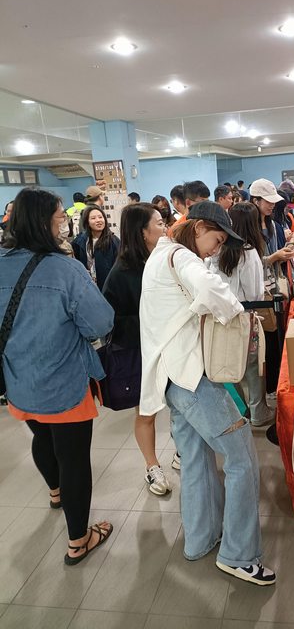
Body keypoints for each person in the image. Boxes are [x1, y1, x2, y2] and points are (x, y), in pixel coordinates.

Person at [139, 201, 276, 585]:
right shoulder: (182, 257)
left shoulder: (160, 256)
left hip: (171, 380)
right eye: (216, 239)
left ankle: (200, 539)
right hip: (193, 380)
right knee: (242, 459)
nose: (217, 249)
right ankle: (239, 555)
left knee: (197, 460)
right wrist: (229, 310)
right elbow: (217, 293)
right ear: (198, 228)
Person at [0, 187, 115, 564]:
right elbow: (100, 322)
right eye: (60, 217)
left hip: (19, 381)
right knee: (73, 458)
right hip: (64, 383)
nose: (64, 223)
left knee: (41, 436)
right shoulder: (65, 268)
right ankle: (79, 541)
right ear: (43, 223)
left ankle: (55, 493)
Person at [103, 204, 173, 494]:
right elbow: (110, 322)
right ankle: (152, 466)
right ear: (142, 232)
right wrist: (149, 320)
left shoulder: (164, 259)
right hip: (141, 353)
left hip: (170, 347)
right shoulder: (121, 273)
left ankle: (182, 450)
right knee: (146, 411)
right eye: (158, 223)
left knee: (180, 404)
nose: (165, 227)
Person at [209, 202, 274, 427]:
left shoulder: (217, 250)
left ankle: (240, 410)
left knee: (230, 366)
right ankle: (258, 412)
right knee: (253, 366)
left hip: (220, 317)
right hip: (244, 315)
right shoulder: (248, 251)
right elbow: (255, 293)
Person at [250, 178, 294, 399]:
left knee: (277, 339)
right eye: (267, 201)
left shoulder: (274, 226)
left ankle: (276, 386)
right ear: (255, 201)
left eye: (273, 201)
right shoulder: (248, 229)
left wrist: (287, 250)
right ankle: (269, 390)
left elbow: (277, 254)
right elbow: (248, 264)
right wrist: (273, 257)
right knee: (266, 344)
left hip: (276, 288)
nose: (272, 205)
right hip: (259, 293)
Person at [72, 205, 120, 289]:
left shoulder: (113, 241)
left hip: (108, 287)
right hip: (88, 286)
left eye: (100, 217)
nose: (98, 220)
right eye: (93, 218)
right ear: (87, 222)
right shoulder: (80, 241)